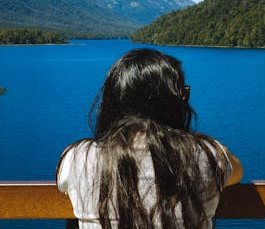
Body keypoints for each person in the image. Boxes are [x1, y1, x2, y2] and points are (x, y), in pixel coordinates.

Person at [56, 48, 243, 228]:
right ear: (173, 102)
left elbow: (62, 184)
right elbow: (237, 172)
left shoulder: (78, 157)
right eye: (183, 95)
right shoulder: (205, 154)